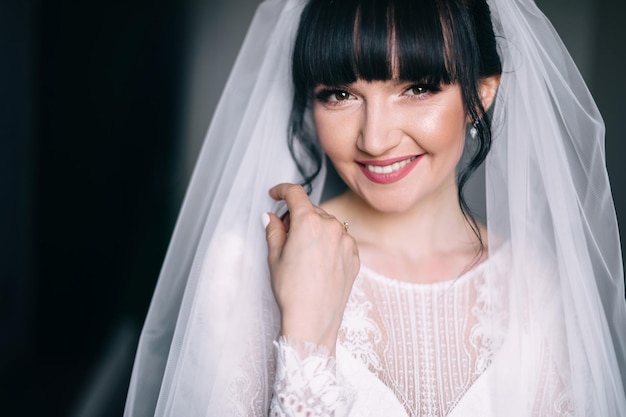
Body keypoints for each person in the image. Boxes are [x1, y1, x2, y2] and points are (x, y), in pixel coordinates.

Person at [124, 0, 626, 416]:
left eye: (417, 88)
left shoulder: (539, 289)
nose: (375, 138)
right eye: (340, 94)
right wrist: (305, 338)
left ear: (482, 93)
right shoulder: (240, 270)